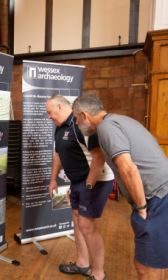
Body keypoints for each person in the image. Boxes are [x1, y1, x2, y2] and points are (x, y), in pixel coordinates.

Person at [72, 92, 168, 280]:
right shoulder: (119, 120)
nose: (77, 124)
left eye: (77, 119)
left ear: (85, 115)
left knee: (144, 267)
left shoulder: (106, 128)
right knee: (154, 264)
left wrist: (141, 207)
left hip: (161, 198)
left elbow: (128, 170)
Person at [46, 95, 114, 280]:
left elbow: (99, 158)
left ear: (59, 107)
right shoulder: (59, 128)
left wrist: (88, 185)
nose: (49, 117)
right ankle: (82, 264)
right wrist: (53, 180)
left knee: (87, 226)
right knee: (77, 221)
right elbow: (58, 156)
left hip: (95, 181)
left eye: (50, 112)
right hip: (79, 182)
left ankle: (99, 274)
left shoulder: (81, 124)